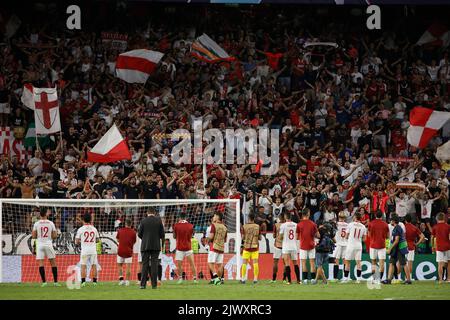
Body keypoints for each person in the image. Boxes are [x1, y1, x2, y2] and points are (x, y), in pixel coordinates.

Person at [32, 208, 59, 287]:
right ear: (46, 214)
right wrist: (52, 235)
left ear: (40, 214)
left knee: (41, 263)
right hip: (48, 244)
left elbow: (33, 236)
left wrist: (34, 245)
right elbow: (54, 236)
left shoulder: (36, 224)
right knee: (53, 263)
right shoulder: (51, 223)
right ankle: (55, 282)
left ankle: (44, 282)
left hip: (40, 244)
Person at [138, 208, 165, 289]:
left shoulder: (143, 221)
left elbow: (139, 234)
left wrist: (146, 238)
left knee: (144, 265)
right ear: (154, 213)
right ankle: (154, 285)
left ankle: (143, 284)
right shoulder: (159, 221)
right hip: (156, 246)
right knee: (154, 265)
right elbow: (162, 235)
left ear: (147, 213)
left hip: (145, 246)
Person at [383, 214, 412, 284]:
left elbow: (396, 240)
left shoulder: (397, 228)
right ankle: (389, 279)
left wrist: (390, 248)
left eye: (391, 220)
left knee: (404, 264)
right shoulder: (396, 228)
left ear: (394, 221)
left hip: (399, 249)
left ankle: (408, 280)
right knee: (391, 263)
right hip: (396, 249)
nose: (390, 221)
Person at [75, 213, 101, 287]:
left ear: (83, 220)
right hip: (93, 250)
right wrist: (92, 241)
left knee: (83, 266)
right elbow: (98, 240)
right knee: (94, 265)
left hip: (85, 250)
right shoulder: (94, 228)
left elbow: (76, 241)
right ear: (90, 220)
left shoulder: (81, 229)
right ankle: (95, 282)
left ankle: (83, 282)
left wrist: (82, 241)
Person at [173, 212, 197, 284]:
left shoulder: (176, 225)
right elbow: (192, 235)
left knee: (179, 265)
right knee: (192, 264)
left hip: (179, 248)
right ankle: (195, 279)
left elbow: (174, 236)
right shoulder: (190, 225)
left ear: (179, 218)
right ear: (186, 218)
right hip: (188, 248)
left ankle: (180, 279)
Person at [342, 212, 367, 283]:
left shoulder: (350, 224)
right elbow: (364, 239)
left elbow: (346, 236)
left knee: (347, 262)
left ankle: (346, 278)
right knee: (358, 262)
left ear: (355, 217)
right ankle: (358, 279)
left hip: (351, 245)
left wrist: (350, 237)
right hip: (359, 245)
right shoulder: (363, 226)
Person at [297, 208, 319, 284]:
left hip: (303, 245)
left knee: (303, 262)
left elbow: (297, 237)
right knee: (312, 262)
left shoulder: (299, 224)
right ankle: (313, 280)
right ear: (308, 214)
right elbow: (318, 235)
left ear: (303, 214)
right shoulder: (313, 224)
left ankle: (305, 280)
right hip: (311, 245)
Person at [368, 210, 389, 284]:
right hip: (382, 245)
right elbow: (388, 236)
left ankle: (374, 279)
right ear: (382, 216)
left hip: (373, 245)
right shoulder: (385, 224)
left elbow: (369, 235)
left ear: (375, 215)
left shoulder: (371, 223)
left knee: (373, 263)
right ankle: (379, 280)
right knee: (382, 263)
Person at [279, 211, 299, 285]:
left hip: (286, 247)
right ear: (291, 217)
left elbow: (280, 237)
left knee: (287, 264)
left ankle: (289, 281)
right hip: (294, 246)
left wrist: (282, 237)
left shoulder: (283, 225)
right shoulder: (296, 225)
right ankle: (298, 280)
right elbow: (297, 236)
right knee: (296, 264)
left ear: (285, 217)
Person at [240, 212, 261, 284]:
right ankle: (255, 279)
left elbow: (242, 237)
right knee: (255, 263)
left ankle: (243, 279)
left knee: (244, 263)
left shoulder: (244, 226)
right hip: (255, 247)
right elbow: (260, 237)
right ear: (254, 218)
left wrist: (241, 246)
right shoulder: (257, 226)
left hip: (246, 247)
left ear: (248, 218)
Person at [208, 212, 228, 285]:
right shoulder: (225, 227)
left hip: (214, 247)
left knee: (210, 263)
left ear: (217, 217)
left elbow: (211, 237)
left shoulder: (214, 225)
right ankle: (219, 280)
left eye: (214, 216)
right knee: (220, 265)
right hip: (221, 248)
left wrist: (207, 240)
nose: (213, 217)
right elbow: (225, 240)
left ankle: (215, 277)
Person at [404, 214, 425, 281]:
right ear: (411, 220)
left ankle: (404, 277)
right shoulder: (414, 228)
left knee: (404, 263)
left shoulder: (403, 227)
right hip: (411, 246)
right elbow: (422, 236)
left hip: (403, 246)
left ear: (405, 220)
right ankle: (409, 277)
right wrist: (417, 244)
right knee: (410, 262)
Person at [116, 219, 136, 286]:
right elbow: (134, 241)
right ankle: (127, 281)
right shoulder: (133, 232)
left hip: (120, 250)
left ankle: (121, 280)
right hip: (128, 251)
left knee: (119, 265)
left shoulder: (120, 230)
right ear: (131, 224)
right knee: (128, 267)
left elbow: (117, 239)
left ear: (125, 224)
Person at [431, 212, 450, 284]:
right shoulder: (448, 226)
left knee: (440, 264)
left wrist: (432, 246)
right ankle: (448, 279)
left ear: (437, 218)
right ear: (444, 218)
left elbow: (432, 237)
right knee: (449, 263)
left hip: (439, 247)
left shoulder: (435, 227)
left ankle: (441, 280)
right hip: (448, 246)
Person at [331, 211, 348, 281]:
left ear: (339, 217)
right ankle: (345, 277)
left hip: (338, 243)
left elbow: (332, 234)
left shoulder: (336, 224)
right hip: (345, 243)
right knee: (345, 261)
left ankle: (335, 278)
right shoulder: (348, 225)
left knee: (336, 261)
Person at [271, 214, 285, 283]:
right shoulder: (287, 225)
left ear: (279, 218)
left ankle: (274, 279)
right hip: (285, 246)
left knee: (275, 262)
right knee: (286, 263)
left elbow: (274, 236)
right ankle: (284, 279)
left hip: (277, 245)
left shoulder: (276, 225)